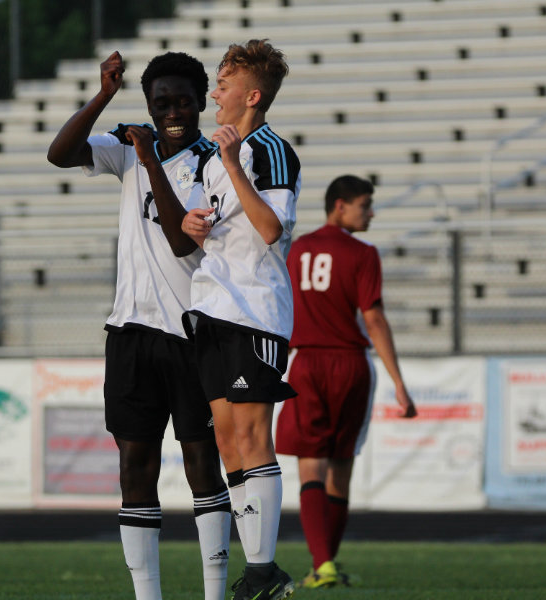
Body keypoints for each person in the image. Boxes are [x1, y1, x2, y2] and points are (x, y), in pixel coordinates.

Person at [46, 51, 231, 600]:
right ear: (147, 104)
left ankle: (213, 592)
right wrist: (103, 96)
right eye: (160, 102)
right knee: (134, 464)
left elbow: (180, 239)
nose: (172, 110)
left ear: (200, 102)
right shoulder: (128, 149)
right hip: (130, 331)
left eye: (182, 101)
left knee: (202, 460)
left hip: (192, 332)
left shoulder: (213, 163)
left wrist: (148, 155)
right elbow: (59, 154)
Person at [179, 39, 300, 600]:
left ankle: (263, 569)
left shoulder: (271, 149)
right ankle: (258, 570)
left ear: (252, 96)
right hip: (213, 307)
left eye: (223, 84)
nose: (213, 92)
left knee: (253, 435)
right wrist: (194, 227)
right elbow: (226, 224)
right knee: (228, 441)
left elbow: (272, 229)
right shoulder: (209, 156)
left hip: (255, 311)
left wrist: (233, 163)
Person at [275, 175, 417, 588]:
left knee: (311, 469)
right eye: (365, 204)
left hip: (307, 364)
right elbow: (373, 317)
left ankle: (323, 566)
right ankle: (326, 565)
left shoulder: (296, 248)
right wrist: (399, 384)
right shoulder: (363, 253)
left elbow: (281, 311)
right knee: (341, 470)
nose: (370, 212)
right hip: (351, 365)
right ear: (340, 205)